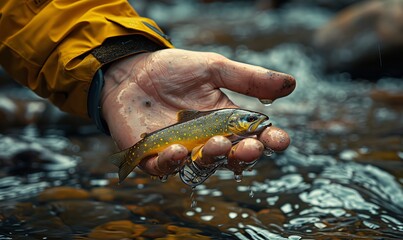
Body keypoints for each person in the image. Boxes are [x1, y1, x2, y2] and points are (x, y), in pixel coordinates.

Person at [0, 0, 295, 178]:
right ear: (234, 122)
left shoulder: (228, 125)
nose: (252, 122)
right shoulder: (226, 122)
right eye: (247, 120)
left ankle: (133, 153)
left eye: (249, 121)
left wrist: (119, 62)